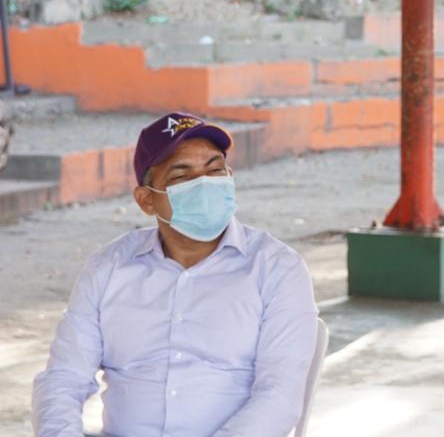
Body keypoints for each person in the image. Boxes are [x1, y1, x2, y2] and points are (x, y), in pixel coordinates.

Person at [32, 112, 318, 437]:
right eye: (183, 178)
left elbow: (279, 397)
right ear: (146, 200)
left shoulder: (277, 269)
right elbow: (63, 379)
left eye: (214, 169)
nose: (205, 184)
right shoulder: (108, 268)